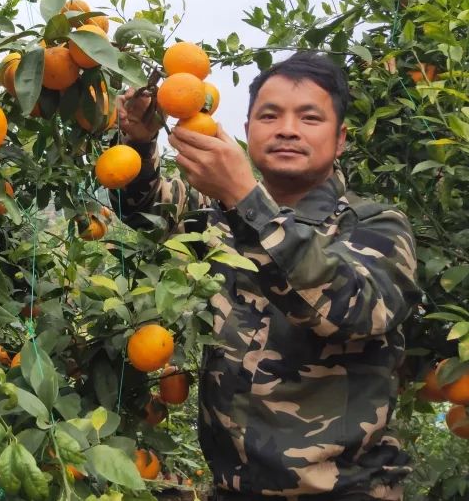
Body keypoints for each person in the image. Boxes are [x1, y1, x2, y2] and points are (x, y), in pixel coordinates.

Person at [117, 51, 420, 501]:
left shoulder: (375, 226)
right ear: (247, 132)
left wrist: (246, 199)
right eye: (270, 115)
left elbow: (350, 308)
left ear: (340, 140)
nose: (287, 129)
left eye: (309, 117)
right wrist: (143, 144)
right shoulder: (219, 218)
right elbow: (145, 213)